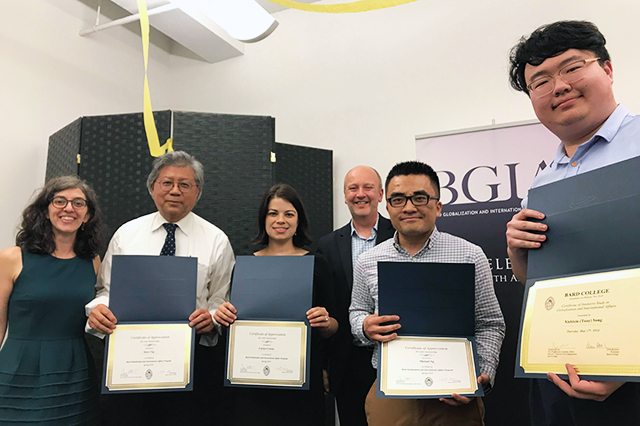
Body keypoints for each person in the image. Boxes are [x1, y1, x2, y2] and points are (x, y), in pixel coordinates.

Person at [506, 20, 640, 426]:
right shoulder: (545, 181)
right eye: (540, 81)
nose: (559, 86)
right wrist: (517, 250)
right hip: (555, 379)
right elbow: (533, 280)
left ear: (608, 69)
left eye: (572, 67)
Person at [350, 161, 505, 426]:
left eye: (419, 198)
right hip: (391, 397)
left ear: (438, 205)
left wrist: (483, 374)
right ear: (387, 207)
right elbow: (357, 311)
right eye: (398, 199)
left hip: (455, 396)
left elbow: (490, 323)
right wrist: (364, 327)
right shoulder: (368, 260)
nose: (409, 207)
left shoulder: (470, 255)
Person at [85, 151, 235, 425]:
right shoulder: (126, 235)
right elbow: (105, 290)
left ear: (197, 191)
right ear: (153, 187)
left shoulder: (217, 240)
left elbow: (219, 299)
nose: (174, 191)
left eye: (184, 184)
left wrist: (211, 318)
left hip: (192, 361)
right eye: (167, 183)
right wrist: (97, 310)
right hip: (130, 358)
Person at [214, 183, 337, 426]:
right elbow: (234, 321)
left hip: (301, 379)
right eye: (273, 213)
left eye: (288, 214)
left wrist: (325, 321)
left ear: (298, 220)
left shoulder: (317, 264)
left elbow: (335, 326)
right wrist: (224, 314)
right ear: (263, 218)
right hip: (252, 380)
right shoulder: (246, 266)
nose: (280, 220)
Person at [0, 176, 105, 425]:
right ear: (46, 210)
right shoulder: (12, 258)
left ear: (87, 215)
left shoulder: (93, 261)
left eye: (78, 203)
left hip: (74, 371)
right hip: (18, 368)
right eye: (60, 201)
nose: (69, 208)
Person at [316, 165, 394, 426]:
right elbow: (324, 307)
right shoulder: (326, 245)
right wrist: (325, 364)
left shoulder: (399, 234)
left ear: (381, 194)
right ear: (344, 194)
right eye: (353, 188)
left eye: (368, 187)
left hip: (393, 352)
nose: (361, 194)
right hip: (346, 360)